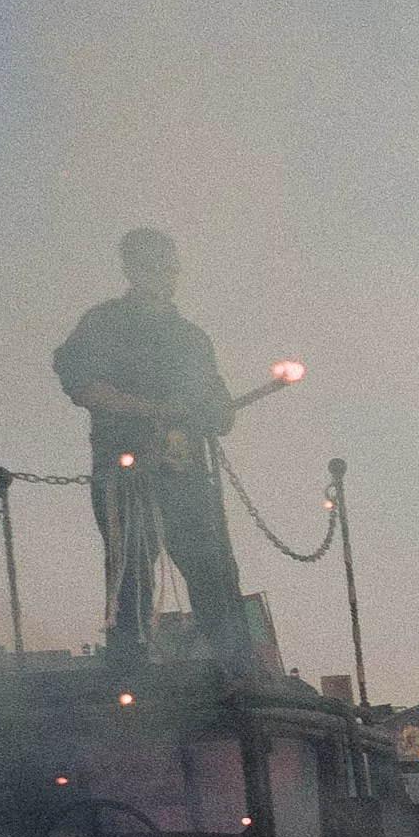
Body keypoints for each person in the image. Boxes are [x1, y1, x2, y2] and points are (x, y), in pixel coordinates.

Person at [53, 228, 250, 664]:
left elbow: (220, 409)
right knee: (131, 571)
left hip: (186, 472)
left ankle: (236, 664)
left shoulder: (191, 339)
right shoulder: (104, 323)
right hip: (126, 469)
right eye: (154, 265)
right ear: (132, 270)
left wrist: (213, 413)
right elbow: (82, 384)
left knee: (210, 567)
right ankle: (130, 667)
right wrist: (151, 410)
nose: (166, 274)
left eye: (170, 264)